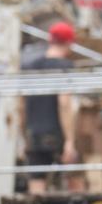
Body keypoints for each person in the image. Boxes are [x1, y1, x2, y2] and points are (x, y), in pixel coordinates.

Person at [20, 21, 81, 186]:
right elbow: (64, 103)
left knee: (36, 181)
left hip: (34, 133)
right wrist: (69, 141)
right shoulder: (65, 67)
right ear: (69, 42)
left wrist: (23, 134)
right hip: (56, 134)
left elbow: (21, 104)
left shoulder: (31, 67)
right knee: (73, 179)